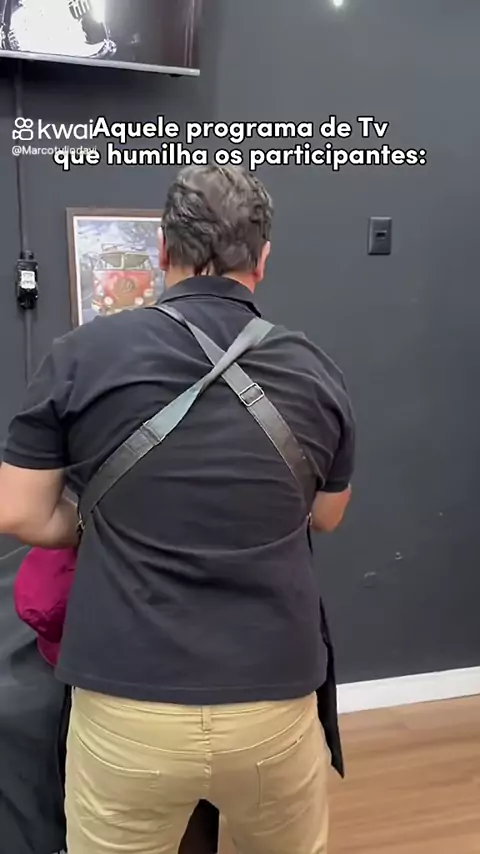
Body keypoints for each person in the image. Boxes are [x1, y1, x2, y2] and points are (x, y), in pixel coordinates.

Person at [0, 164, 355, 854]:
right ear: (263, 258)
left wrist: (104, 517)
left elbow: (18, 512)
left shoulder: (81, 356)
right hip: (274, 696)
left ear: (163, 251)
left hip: (127, 701)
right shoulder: (317, 369)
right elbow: (327, 515)